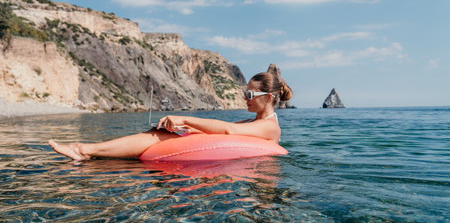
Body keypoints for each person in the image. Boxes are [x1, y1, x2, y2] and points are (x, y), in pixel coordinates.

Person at [49, 71, 293, 160]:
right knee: (160, 133)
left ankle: (85, 150)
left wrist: (185, 119)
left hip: (260, 193)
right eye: (244, 92)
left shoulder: (270, 128)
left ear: (268, 98)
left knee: (157, 137)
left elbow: (229, 131)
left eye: (249, 93)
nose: (245, 98)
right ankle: (88, 152)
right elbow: (226, 127)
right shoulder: (257, 121)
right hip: (234, 170)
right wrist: (183, 128)